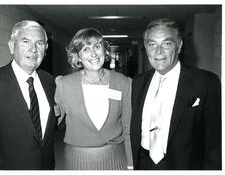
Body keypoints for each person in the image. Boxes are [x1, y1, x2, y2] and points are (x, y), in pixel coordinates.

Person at [130, 18, 221, 170]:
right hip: (144, 165)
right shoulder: (138, 82)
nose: (158, 51)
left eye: (166, 44)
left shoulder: (206, 82)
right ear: (146, 48)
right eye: (152, 44)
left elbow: (215, 143)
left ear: (178, 46)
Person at [0, 20, 56, 170]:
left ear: (46, 48)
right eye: (26, 42)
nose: (33, 50)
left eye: (39, 43)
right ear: (12, 46)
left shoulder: (49, 81)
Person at [54, 28, 133, 170]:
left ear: (105, 51)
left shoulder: (123, 82)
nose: (93, 54)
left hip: (116, 159)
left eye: (97, 46)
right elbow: (50, 125)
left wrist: (131, 164)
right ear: (77, 56)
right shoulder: (64, 84)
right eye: (85, 49)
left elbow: (128, 128)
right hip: (77, 161)